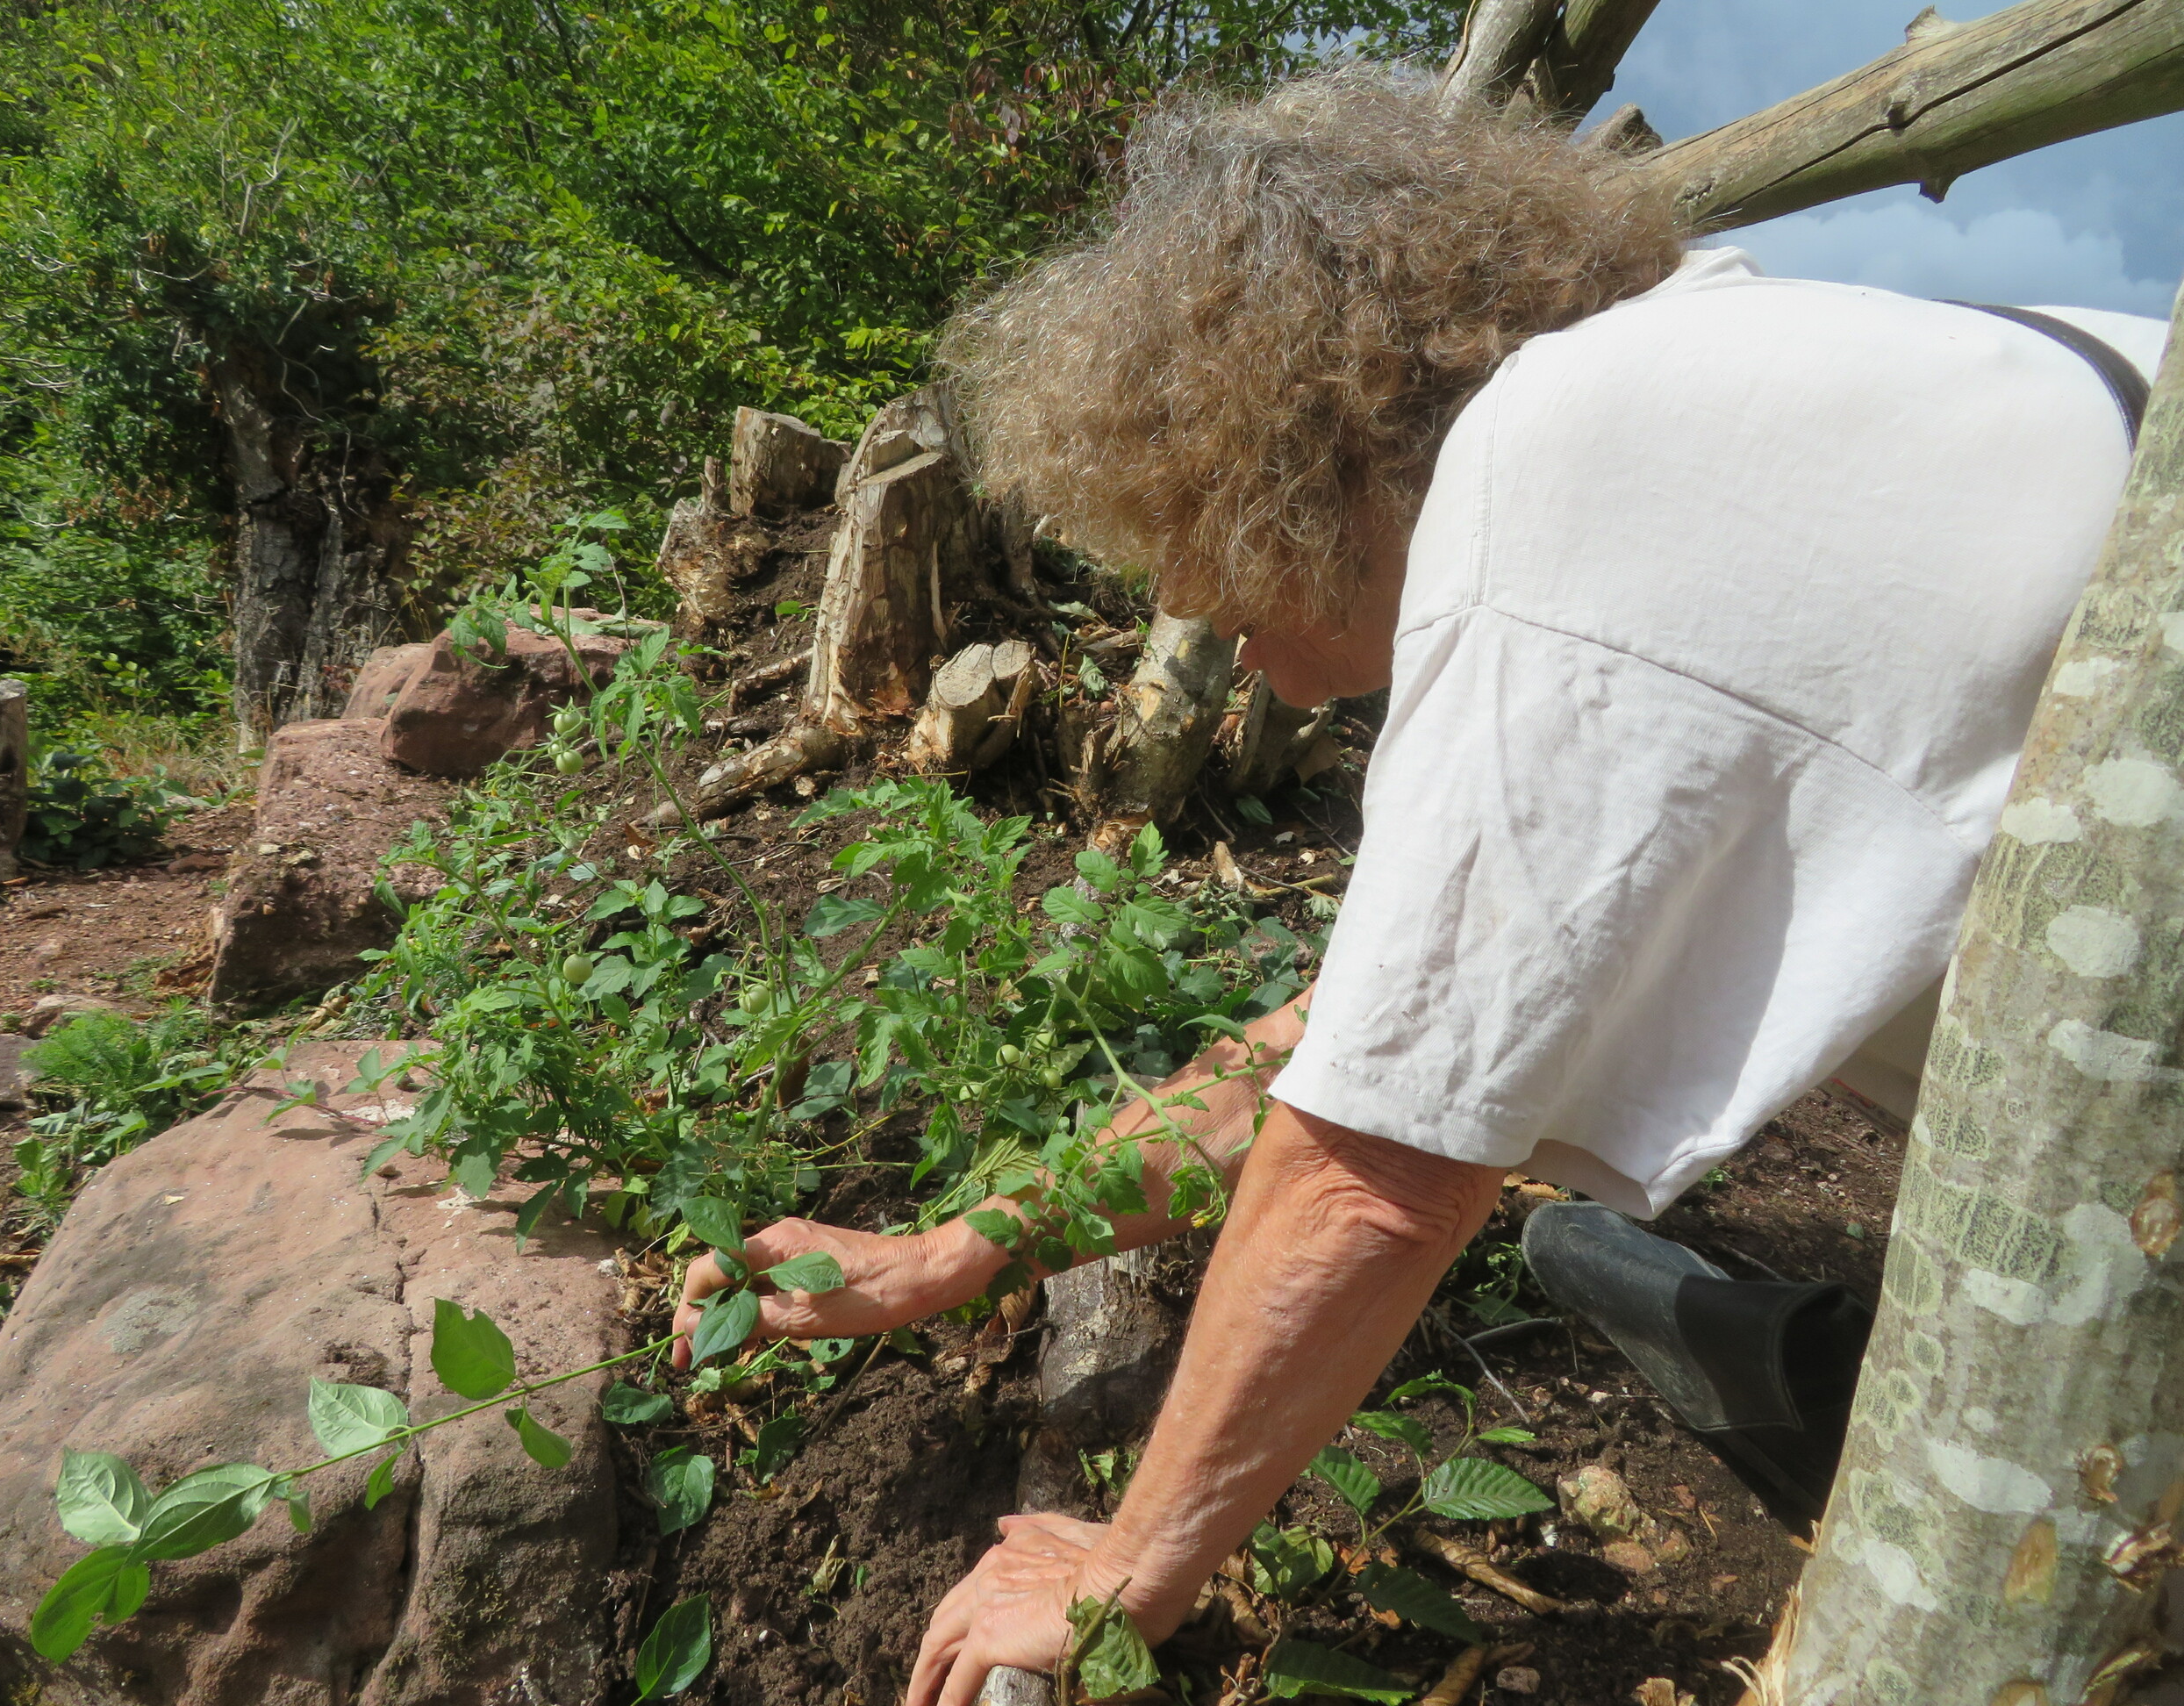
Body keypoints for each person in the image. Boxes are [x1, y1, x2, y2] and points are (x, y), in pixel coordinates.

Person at [673, 68, 2172, 1706]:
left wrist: (1123, 1569)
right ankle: (1814, 1370)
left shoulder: (1558, 475)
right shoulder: (1718, 384)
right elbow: (1359, 1044)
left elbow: (1377, 1169)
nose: (1201, 613)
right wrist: (957, 1251)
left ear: (1280, 451)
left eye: (1184, 537)